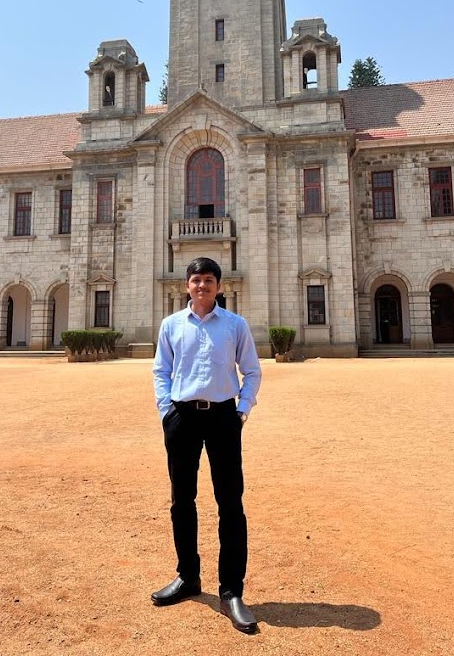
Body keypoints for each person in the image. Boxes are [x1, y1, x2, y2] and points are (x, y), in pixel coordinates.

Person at [151, 256, 262, 634]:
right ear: (187, 286)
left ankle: (232, 590)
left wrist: (242, 411)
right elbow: (160, 370)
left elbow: (252, 370)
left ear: (219, 285)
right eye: (196, 280)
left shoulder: (235, 325)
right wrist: (167, 411)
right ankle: (188, 577)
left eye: (209, 280)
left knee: (230, 502)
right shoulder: (171, 325)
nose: (202, 286)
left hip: (222, 418)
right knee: (182, 500)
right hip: (182, 417)